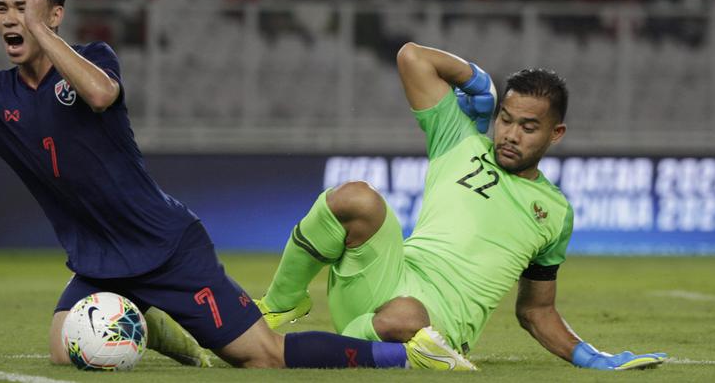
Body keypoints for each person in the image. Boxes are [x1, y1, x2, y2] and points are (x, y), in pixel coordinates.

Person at [0, 0, 467, 371]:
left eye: (22, 6)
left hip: (167, 248)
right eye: (1, 7)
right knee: (63, 351)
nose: (8, 19)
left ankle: (399, 359)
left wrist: (45, 31)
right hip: (97, 264)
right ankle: (152, 328)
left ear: (54, 15)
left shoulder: (96, 59)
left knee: (262, 357)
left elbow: (100, 95)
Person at [254, 41, 667, 371]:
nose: (510, 134)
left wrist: (590, 356)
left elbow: (536, 310)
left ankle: (408, 353)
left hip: (433, 322)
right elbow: (412, 57)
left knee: (404, 317)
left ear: (555, 134)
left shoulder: (555, 213)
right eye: (506, 119)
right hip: (389, 275)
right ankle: (280, 303)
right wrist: (476, 81)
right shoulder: (459, 138)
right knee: (355, 197)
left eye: (528, 127)